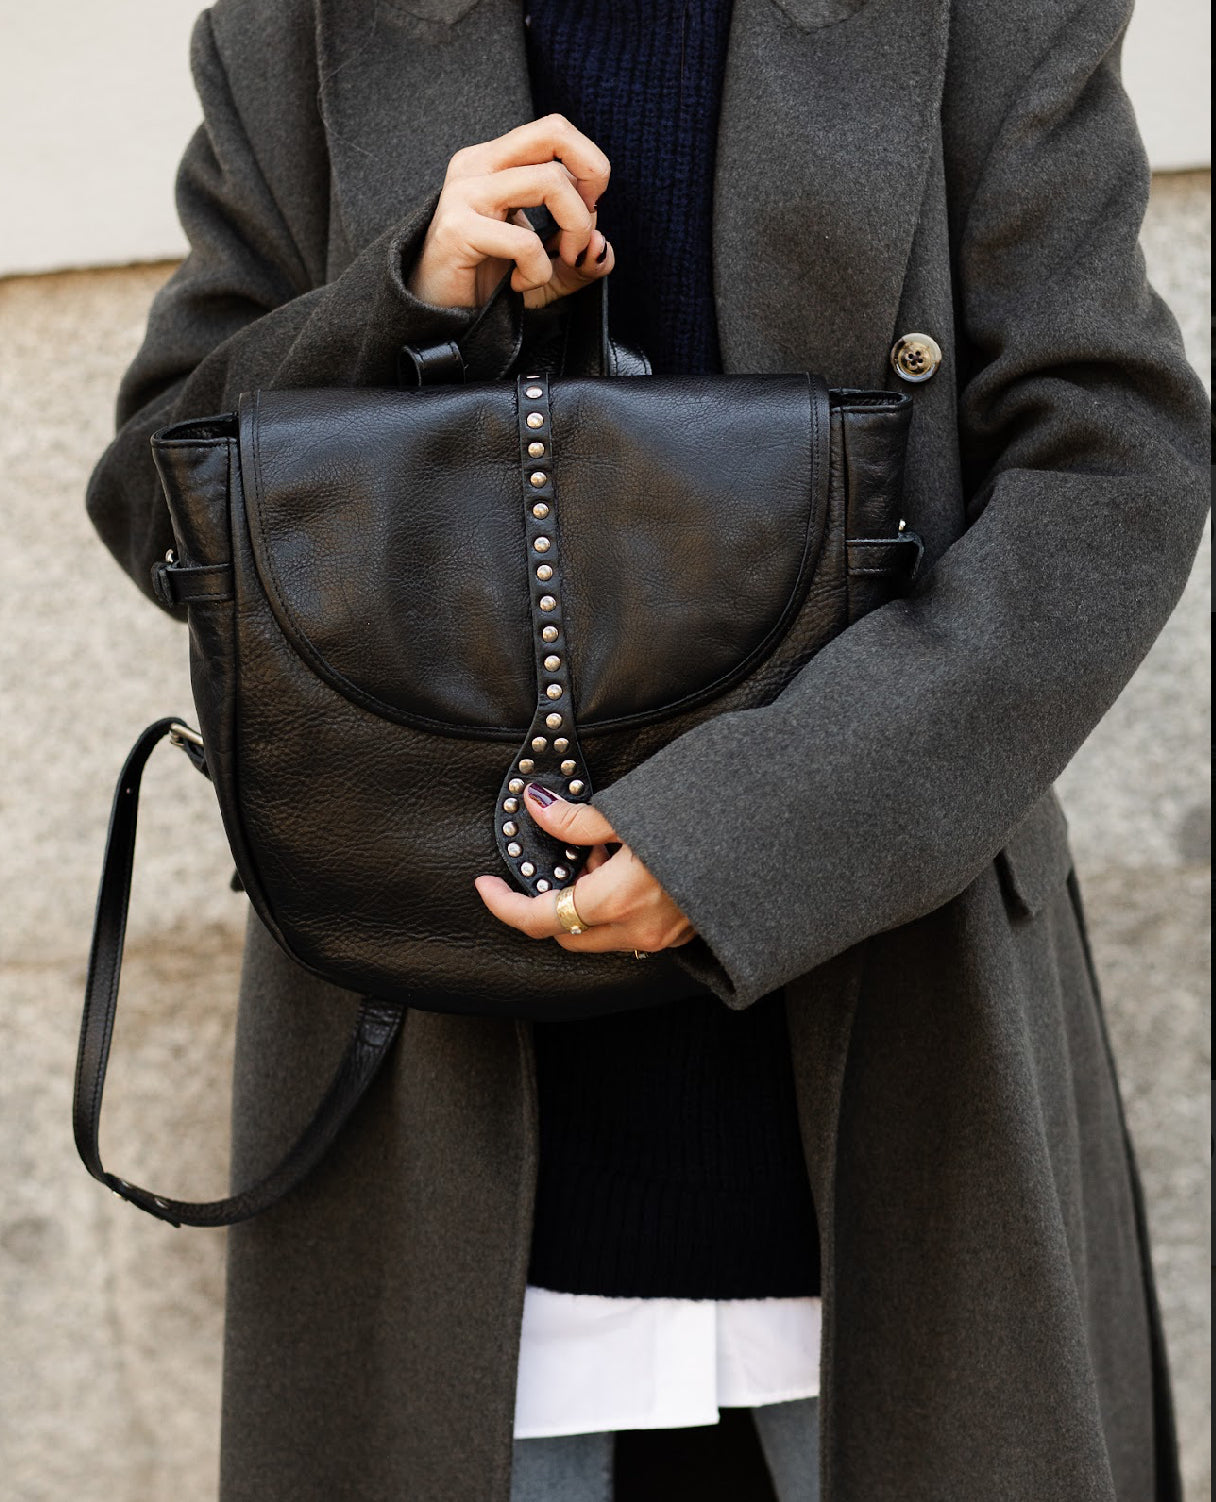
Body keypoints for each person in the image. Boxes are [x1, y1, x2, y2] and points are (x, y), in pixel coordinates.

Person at [85, 1, 1208, 1499]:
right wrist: (405, 296)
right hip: (440, 1129)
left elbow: (1113, 469)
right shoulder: (300, 33)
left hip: (903, 1086)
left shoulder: (988, 16)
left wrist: (743, 836)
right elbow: (163, 505)